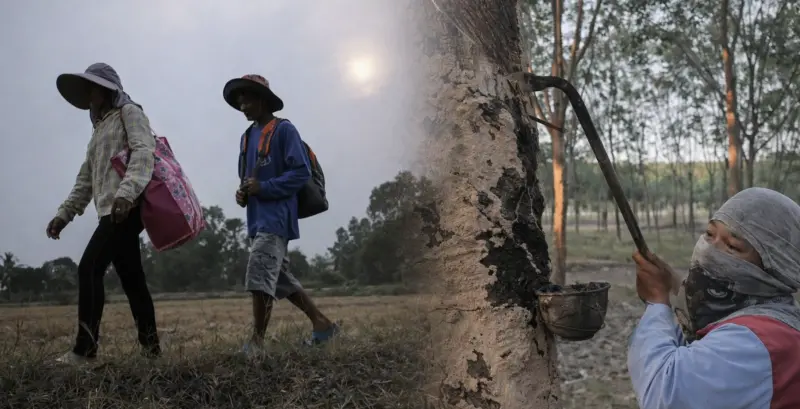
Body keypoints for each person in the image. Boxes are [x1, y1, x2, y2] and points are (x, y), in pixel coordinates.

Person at [628, 187, 800, 409]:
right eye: (710, 234)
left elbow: (663, 395)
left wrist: (657, 303)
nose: (710, 250)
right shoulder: (771, 317)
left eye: (733, 246)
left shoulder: (756, 342)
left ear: (774, 268)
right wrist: (675, 283)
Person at [48, 63, 161, 364]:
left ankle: (85, 350)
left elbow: (143, 151)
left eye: (92, 87)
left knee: (89, 267)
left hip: (126, 208)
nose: (88, 94)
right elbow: (86, 179)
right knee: (132, 280)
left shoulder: (130, 112)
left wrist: (126, 193)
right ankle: (152, 353)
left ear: (107, 89)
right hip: (109, 211)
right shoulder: (99, 130)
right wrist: (64, 214)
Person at [222, 74, 338, 357]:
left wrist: (264, 187)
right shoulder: (247, 138)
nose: (243, 105)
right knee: (280, 278)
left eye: (247, 98)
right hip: (256, 219)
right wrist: (243, 194)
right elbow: (249, 180)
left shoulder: (284, 131)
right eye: (239, 101)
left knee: (259, 273)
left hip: (277, 217)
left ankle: (257, 343)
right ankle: (323, 325)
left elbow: (300, 173)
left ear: (263, 99)